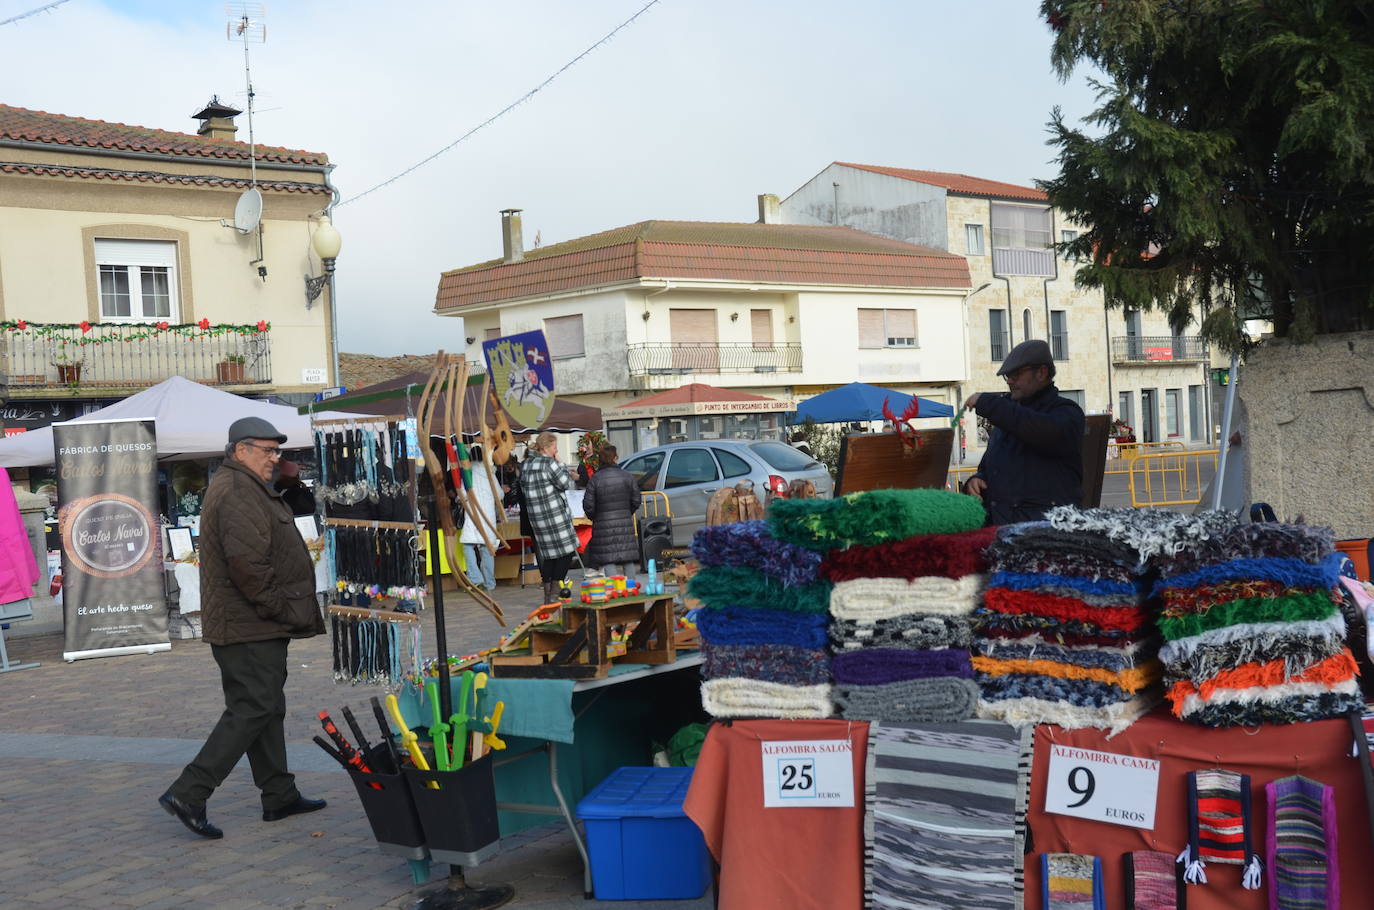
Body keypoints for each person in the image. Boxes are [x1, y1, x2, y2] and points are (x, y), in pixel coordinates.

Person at [159, 417, 327, 839]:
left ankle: (279, 794)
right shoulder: (236, 491)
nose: (275, 458)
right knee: (253, 707)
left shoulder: (247, 487)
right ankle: (189, 791)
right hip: (249, 623)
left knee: (267, 706)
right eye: (267, 451)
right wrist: (280, 610)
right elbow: (248, 565)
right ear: (240, 450)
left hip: (255, 623)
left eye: (277, 451)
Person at [962, 339, 1084, 525]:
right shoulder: (1008, 418)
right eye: (1007, 376)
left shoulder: (1067, 412)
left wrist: (990, 404)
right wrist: (977, 481)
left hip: (1046, 532)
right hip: (1002, 529)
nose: (1010, 381)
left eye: (1016, 374)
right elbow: (989, 469)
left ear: (1042, 373)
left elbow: (1040, 430)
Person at [520, 431, 579, 604]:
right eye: (554, 447)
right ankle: (554, 592)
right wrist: (561, 463)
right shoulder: (549, 464)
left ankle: (548, 593)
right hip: (555, 515)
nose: (556, 449)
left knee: (549, 555)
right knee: (566, 552)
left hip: (537, 517)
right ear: (546, 447)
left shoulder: (525, 465)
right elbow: (566, 483)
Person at [582, 444, 642, 577]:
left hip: (602, 525)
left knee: (608, 559)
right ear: (615, 458)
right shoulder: (627, 476)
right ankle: (631, 589)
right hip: (624, 522)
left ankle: (614, 591)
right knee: (628, 559)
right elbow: (636, 500)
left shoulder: (595, 479)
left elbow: (588, 505)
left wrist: (596, 517)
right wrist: (627, 512)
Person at [458, 445, 500, 591]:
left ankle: (476, 578)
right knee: (487, 549)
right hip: (488, 515)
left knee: (468, 545)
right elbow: (499, 494)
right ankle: (489, 582)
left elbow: (462, 495)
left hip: (473, 515)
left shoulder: (468, 473)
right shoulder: (490, 474)